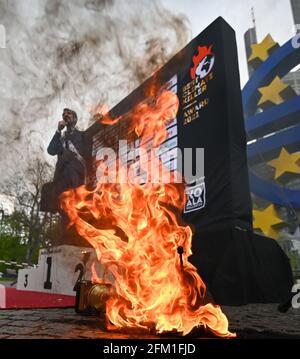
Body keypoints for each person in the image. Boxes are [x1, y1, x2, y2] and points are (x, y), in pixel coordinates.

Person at [47, 108, 86, 196]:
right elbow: (51, 150)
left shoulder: (82, 135)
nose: (65, 115)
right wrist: (58, 131)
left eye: (69, 113)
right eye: (63, 114)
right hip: (60, 180)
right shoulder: (60, 139)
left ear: (75, 119)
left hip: (76, 179)